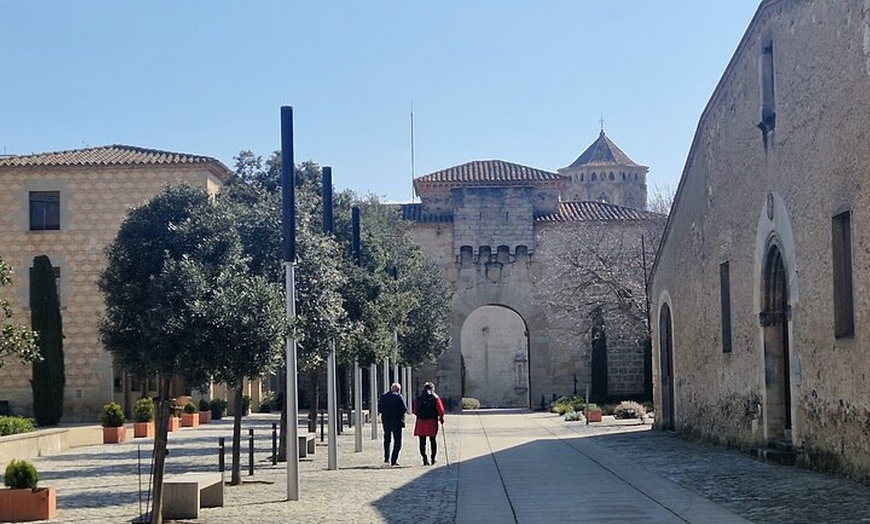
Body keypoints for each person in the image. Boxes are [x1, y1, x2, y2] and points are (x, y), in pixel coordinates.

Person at [413, 381, 445, 465]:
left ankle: (424, 458)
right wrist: (441, 419)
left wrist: (418, 415)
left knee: (422, 441)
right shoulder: (435, 398)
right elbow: (441, 410)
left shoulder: (418, 398)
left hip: (421, 421)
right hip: (432, 421)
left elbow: (415, 410)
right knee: (433, 440)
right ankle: (433, 458)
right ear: (432, 389)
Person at [378, 382, 408, 466]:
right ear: (398, 390)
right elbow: (404, 409)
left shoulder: (384, 397)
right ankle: (394, 460)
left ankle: (386, 457)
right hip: (397, 421)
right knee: (397, 441)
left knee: (387, 439)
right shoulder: (399, 397)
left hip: (386, 421)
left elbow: (379, 408)